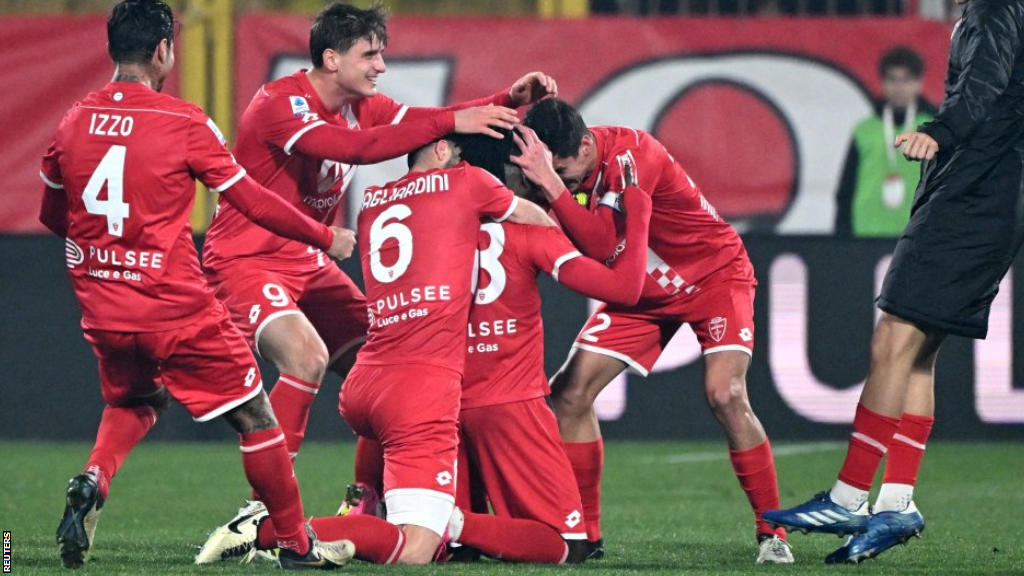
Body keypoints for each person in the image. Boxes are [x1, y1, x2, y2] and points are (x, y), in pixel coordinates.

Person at [40, 0, 356, 569]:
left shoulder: (71, 120)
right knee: (257, 418)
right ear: (163, 51)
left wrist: (108, 255)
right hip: (176, 308)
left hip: (104, 311)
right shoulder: (182, 121)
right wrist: (322, 234)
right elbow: (249, 199)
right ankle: (295, 545)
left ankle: (95, 477)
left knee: (138, 397)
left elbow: (51, 213)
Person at [200, 1, 557, 468]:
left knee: (383, 370)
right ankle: (264, 510)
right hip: (246, 258)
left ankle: (367, 497)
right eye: (370, 55)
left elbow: (425, 118)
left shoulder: (359, 106)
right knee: (306, 359)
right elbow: (358, 149)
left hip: (307, 260)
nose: (381, 66)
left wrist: (506, 98)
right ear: (332, 59)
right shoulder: (279, 105)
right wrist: (452, 123)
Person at [196, 134, 565, 565]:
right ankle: (267, 531)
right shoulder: (467, 183)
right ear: (442, 150)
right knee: (418, 549)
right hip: (420, 387)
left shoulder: (374, 201)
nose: (464, 163)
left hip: (366, 381)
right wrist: (555, 203)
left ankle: (363, 501)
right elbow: (537, 221)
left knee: (403, 520)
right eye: (459, 154)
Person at [764, 0, 1024, 564]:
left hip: (971, 201)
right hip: (989, 201)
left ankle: (849, 497)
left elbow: (984, 83)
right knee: (917, 354)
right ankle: (897, 501)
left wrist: (941, 128)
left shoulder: (994, 9)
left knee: (891, 340)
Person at [341, 130, 653, 564]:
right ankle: (447, 520)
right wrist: (636, 211)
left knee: (452, 553)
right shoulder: (523, 226)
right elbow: (623, 288)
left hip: (433, 402)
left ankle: (359, 507)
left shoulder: (401, 212)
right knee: (567, 545)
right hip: (507, 404)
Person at [522, 100, 793, 564]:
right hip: (646, 292)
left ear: (585, 146)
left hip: (713, 274)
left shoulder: (632, 157)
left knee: (725, 394)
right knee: (568, 392)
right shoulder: (563, 166)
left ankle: (773, 532)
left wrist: (550, 186)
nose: (560, 184)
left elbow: (604, 245)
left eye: (564, 173)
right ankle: (585, 535)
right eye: (555, 176)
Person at [834, 46, 934, 237]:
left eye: (906, 80)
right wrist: (841, 235)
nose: (899, 88)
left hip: (918, 235)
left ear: (919, 84)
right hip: (866, 232)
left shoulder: (932, 129)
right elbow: (846, 189)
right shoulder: (864, 130)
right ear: (882, 83)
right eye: (892, 80)